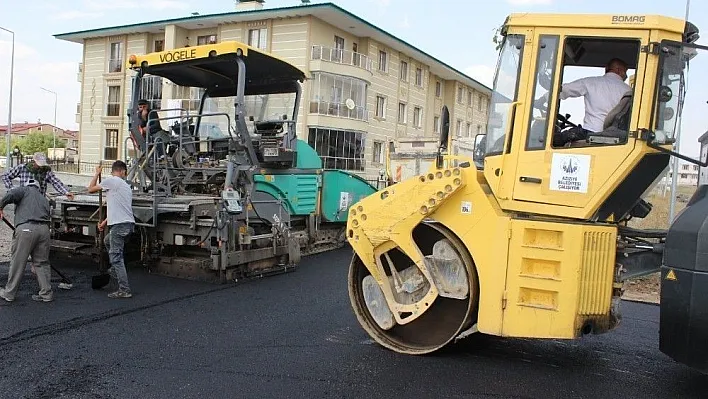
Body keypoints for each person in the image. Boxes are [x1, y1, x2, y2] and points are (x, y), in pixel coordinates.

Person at [537, 58, 632, 146]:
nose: (626, 76)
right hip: (617, 137)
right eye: (625, 73)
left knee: (551, 140)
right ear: (619, 70)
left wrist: (541, 100)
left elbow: (563, 89)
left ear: (607, 68)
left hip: (590, 133)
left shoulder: (591, 82)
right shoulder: (629, 91)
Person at [0, 179, 54, 303]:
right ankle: (46, 294)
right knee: (42, 263)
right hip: (44, 231)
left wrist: (0, 206)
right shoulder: (44, 199)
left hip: (26, 229)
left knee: (18, 261)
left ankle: (9, 293)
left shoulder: (24, 190)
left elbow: (11, 195)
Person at [87, 161, 135, 299]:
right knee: (108, 240)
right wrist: (104, 222)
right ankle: (115, 270)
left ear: (116, 171)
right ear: (123, 171)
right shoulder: (125, 186)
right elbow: (118, 207)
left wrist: (97, 173)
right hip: (127, 224)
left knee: (116, 258)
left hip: (119, 226)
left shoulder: (113, 181)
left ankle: (124, 289)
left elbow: (90, 189)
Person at [1, 152, 75, 199]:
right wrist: (11, 188)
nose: (40, 167)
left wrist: (66, 192)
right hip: (23, 200)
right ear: (34, 161)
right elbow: (6, 176)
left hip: (39, 200)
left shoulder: (46, 171)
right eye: (38, 164)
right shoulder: (22, 168)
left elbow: (56, 182)